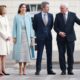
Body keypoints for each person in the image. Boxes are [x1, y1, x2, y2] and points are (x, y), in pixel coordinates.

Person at [54, 3, 80, 75]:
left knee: (70, 55)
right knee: (61, 55)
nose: (61, 10)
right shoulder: (58, 15)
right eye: (60, 8)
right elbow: (55, 27)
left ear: (67, 9)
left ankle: (70, 70)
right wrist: (59, 32)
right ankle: (63, 70)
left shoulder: (73, 15)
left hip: (70, 38)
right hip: (60, 39)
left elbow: (79, 22)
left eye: (62, 8)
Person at [33, 2, 56, 75]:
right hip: (40, 37)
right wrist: (39, 33)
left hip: (49, 37)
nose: (48, 8)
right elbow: (34, 27)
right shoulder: (36, 16)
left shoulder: (51, 15)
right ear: (43, 8)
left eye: (48, 7)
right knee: (39, 54)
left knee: (49, 54)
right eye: (47, 7)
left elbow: (51, 25)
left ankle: (49, 70)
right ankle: (38, 70)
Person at [13, 3, 34, 75]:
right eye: (22, 7)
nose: (24, 8)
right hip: (19, 36)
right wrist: (14, 37)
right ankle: (20, 68)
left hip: (27, 36)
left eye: (25, 7)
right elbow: (14, 28)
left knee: (26, 53)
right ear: (19, 8)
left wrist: (31, 37)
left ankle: (24, 68)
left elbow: (31, 27)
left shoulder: (28, 16)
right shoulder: (16, 17)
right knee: (20, 53)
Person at [0, 5, 11, 76]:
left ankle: (4, 70)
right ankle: (0, 71)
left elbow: (8, 28)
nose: (6, 10)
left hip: (6, 39)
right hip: (1, 39)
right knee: (0, 55)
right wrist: (5, 37)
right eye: (5, 9)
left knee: (4, 55)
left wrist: (9, 36)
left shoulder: (6, 17)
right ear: (1, 9)